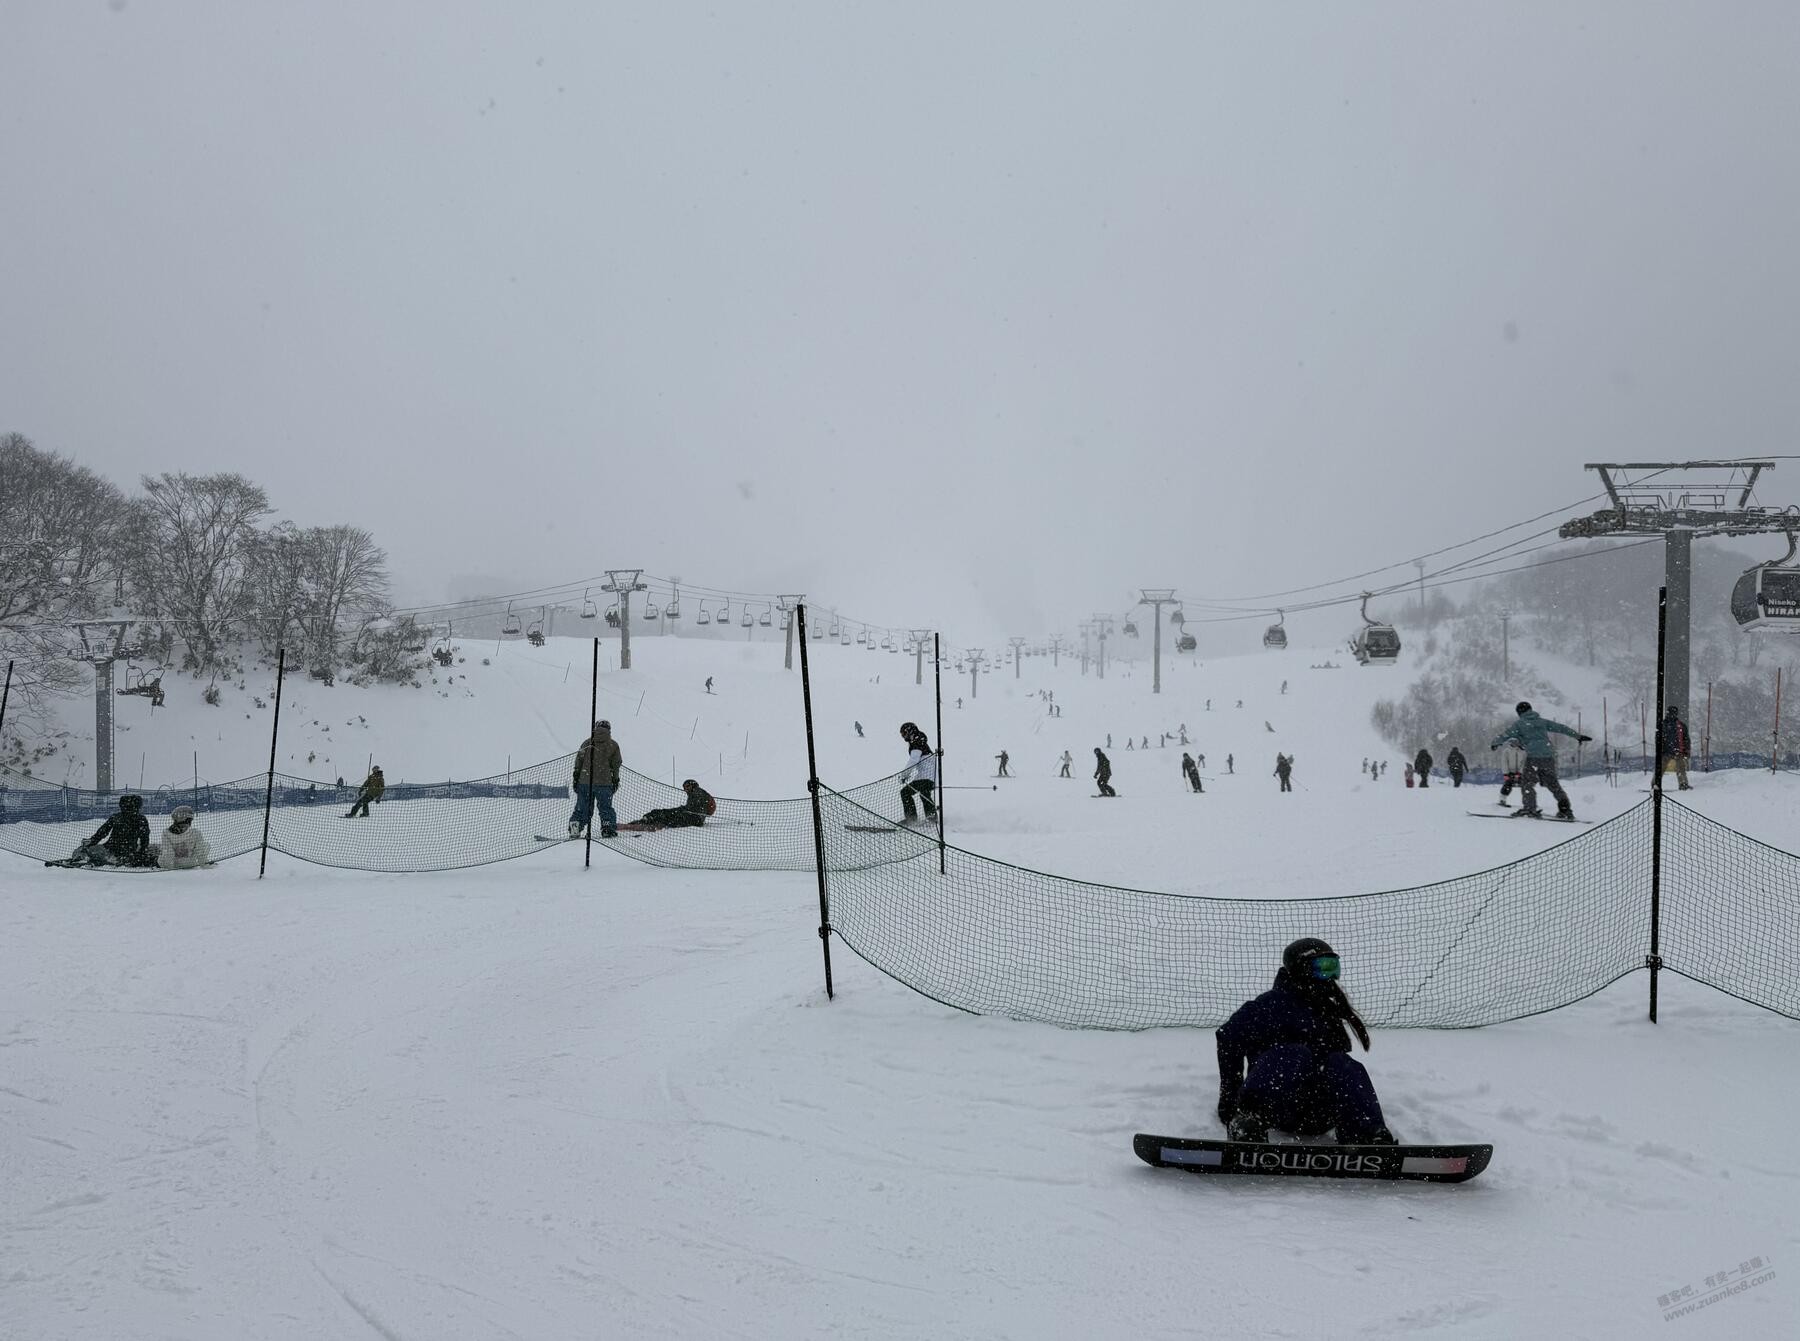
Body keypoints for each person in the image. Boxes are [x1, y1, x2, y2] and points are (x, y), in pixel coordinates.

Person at [1214, 938, 1395, 1146]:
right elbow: (1228, 1037)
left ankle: (1367, 1135)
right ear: (1301, 968)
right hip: (1276, 1107)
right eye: (1323, 967)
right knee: (1294, 1054)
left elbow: (1336, 1064)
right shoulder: (1267, 1005)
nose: (1330, 976)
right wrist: (1231, 1099)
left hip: (1319, 1113)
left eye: (1333, 966)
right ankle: (1248, 1123)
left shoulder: (1327, 1009)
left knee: (1340, 1062)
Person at [1489, 701, 1589, 820]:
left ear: (1519, 712)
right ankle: (1565, 809)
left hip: (1533, 758)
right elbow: (1561, 728)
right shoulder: (1542, 722)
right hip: (1548, 757)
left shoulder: (1520, 724)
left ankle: (1530, 808)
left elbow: (1506, 735)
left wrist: (1495, 743)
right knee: (1553, 784)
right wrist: (1577, 736)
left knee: (1527, 783)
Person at [570, 721, 622, 838]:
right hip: (604, 783)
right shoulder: (613, 745)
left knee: (582, 808)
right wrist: (615, 780)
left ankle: (575, 829)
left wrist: (576, 778)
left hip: (585, 782)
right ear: (609, 730)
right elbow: (616, 765)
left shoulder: (587, 743)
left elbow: (579, 761)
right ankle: (607, 828)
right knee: (605, 808)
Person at [70, 794, 152, 867]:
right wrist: (139, 854)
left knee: (84, 850)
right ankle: (112, 860)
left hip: (111, 850)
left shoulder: (117, 817)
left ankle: (86, 858)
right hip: (126, 852)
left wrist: (91, 842)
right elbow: (144, 840)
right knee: (88, 850)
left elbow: (102, 832)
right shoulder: (141, 819)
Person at [626, 779, 715, 831]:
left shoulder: (697, 792)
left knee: (669, 815)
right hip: (693, 818)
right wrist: (683, 809)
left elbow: (694, 807)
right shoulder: (698, 792)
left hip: (693, 819)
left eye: (687, 787)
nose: (685, 789)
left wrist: (684, 810)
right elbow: (692, 807)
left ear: (693, 785)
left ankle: (650, 820)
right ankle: (650, 819)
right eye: (684, 787)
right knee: (669, 813)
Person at [899, 723, 939, 823]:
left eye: (904, 733)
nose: (904, 736)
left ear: (910, 731)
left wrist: (904, 775)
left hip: (926, 777)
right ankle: (930, 817)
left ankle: (912, 818)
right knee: (923, 793)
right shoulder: (919, 741)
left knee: (906, 792)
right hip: (928, 776)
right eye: (902, 734)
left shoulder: (917, 743)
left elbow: (913, 761)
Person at [156, 804, 213, 869]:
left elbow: (168, 853)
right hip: (188, 864)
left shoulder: (165, 833)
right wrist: (205, 865)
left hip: (170, 865)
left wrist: (170, 868)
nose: (184, 827)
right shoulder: (195, 833)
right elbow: (200, 852)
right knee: (205, 845)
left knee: (162, 850)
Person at [1658, 706, 1693, 790]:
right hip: (1678, 750)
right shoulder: (1680, 725)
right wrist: (1687, 750)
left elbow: (1658, 738)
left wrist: (1659, 749)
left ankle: (1655, 784)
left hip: (1666, 751)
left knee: (1660, 769)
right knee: (1681, 769)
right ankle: (1683, 784)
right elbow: (1686, 739)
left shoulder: (1662, 724)